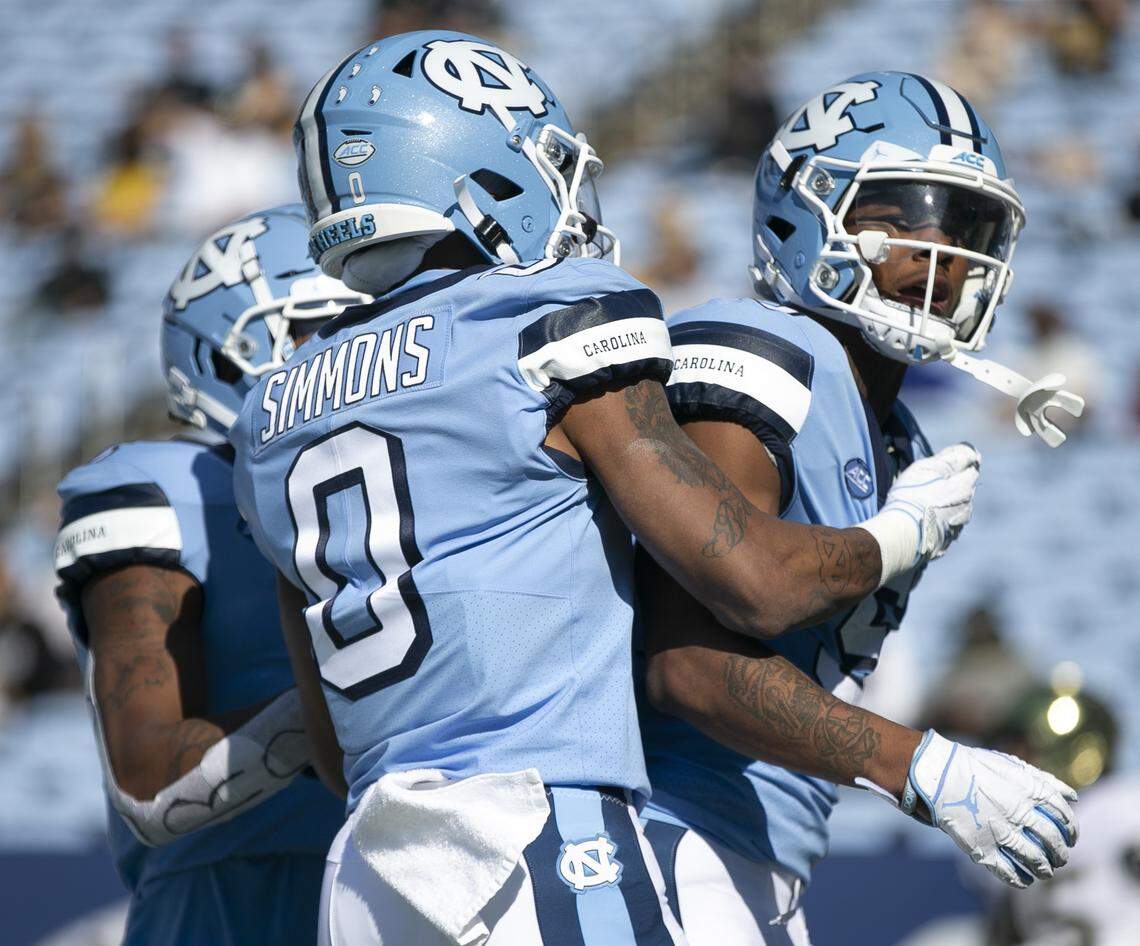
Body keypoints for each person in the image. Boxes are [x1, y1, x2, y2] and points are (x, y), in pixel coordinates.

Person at [232, 34, 983, 946]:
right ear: (470, 172)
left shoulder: (271, 409)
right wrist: (899, 535)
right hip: (529, 827)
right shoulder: (540, 316)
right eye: (548, 166)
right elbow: (754, 580)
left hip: (363, 867)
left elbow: (326, 746)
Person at [637, 73, 1083, 946]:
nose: (938, 251)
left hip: (756, 846)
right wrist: (919, 764)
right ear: (802, 216)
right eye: (899, 217)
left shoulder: (900, 437)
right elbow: (689, 663)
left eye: (962, 227)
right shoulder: (766, 352)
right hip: (666, 823)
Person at [52, 205, 368, 946]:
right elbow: (150, 777)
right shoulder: (166, 491)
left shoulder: (400, 479)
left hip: (394, 879)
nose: (354, 353)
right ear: (232, 353)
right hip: (229, 908)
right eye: (327, 330)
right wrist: (372, 700)